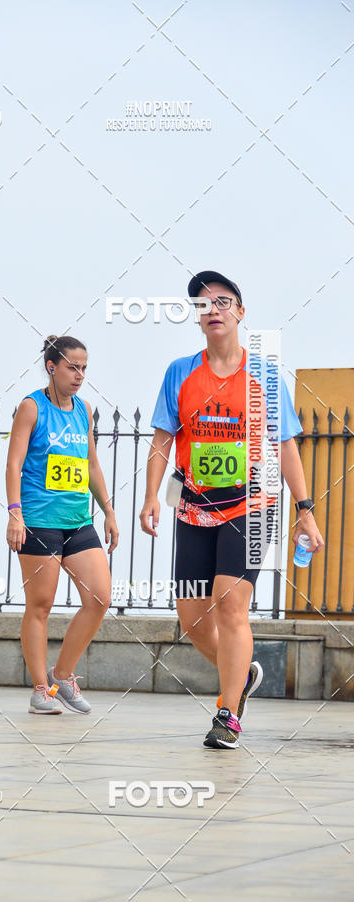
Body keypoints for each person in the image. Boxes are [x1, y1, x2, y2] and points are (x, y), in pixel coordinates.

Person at [140, 271, 324, 749]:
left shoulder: (264, 377)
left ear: (240, 312)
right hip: (193, 509)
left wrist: (305, 510)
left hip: (251, 506)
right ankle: (241, 674)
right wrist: (149, 498)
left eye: (223, 301)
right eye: (203, 304)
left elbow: (285, 446)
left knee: (230, 603)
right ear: (197, 318)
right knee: (192, 619)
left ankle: (227, 713)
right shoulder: (179, 372)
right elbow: (162, 442)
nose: (213, 309)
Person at [6, 335, 119, 714]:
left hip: (78, 520)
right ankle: (41, 690)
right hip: (38, 520)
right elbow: (14, 464)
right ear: (52, 366)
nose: (80, 375)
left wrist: (109, 511)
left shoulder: (83, 409)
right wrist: (14, 513)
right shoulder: (31, 407)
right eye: (73, 367)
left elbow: (90, 464)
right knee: (40, 605)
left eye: (84, 368)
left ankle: (62, 674)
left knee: (100, 597)